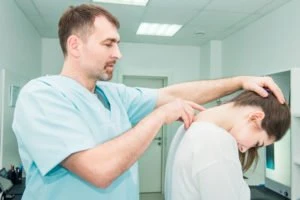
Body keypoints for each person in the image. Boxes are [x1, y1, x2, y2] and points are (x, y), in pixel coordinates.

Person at [12, 4, 285, 200]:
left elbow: (176, 94)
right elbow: (98, 170)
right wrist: (157, 117)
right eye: (109, 44)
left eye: (118, 44)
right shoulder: (42, 96)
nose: (118, 53)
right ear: (75, 46)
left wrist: (239, 81)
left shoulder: (113, 95)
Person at [165, 90, 290, 200]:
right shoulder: (216, 140)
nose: (243, 149)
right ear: (255, 117)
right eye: (256, 144)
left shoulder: (187, 128)